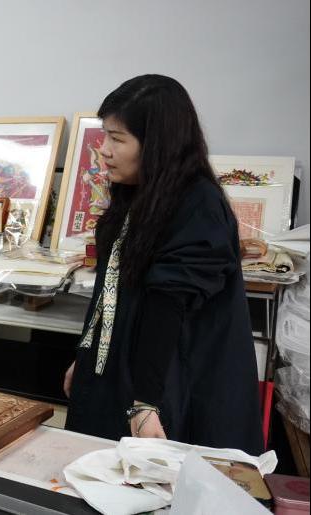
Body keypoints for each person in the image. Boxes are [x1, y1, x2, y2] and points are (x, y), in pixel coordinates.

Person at [63, 74, 264, 455]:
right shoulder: (134, 194)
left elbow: (166, 307)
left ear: (157, 144)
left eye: (117, 139)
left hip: (166, 380)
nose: (103, 150)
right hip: (121, 370)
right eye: (105, 136)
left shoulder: (197, 205)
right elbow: (111, 293)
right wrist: (86, 359)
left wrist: (145, 403)